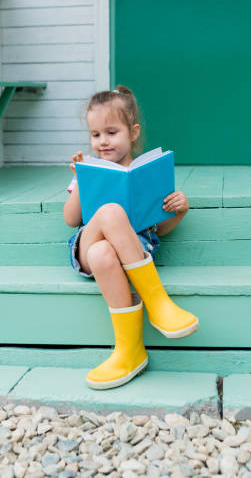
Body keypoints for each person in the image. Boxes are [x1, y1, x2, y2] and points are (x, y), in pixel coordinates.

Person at [63, 85, 199, 390]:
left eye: (111, 132)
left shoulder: (145, 176)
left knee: (103, 254)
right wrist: (81, 179)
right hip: (85, 245)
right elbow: (71, 219)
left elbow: (157, 228)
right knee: (109, 215)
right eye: (95, 134)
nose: (102, 142)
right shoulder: (89, 170)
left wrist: (179, 211)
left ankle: (130, 351)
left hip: (129, 250)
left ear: (133, 132)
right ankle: (158, 302)